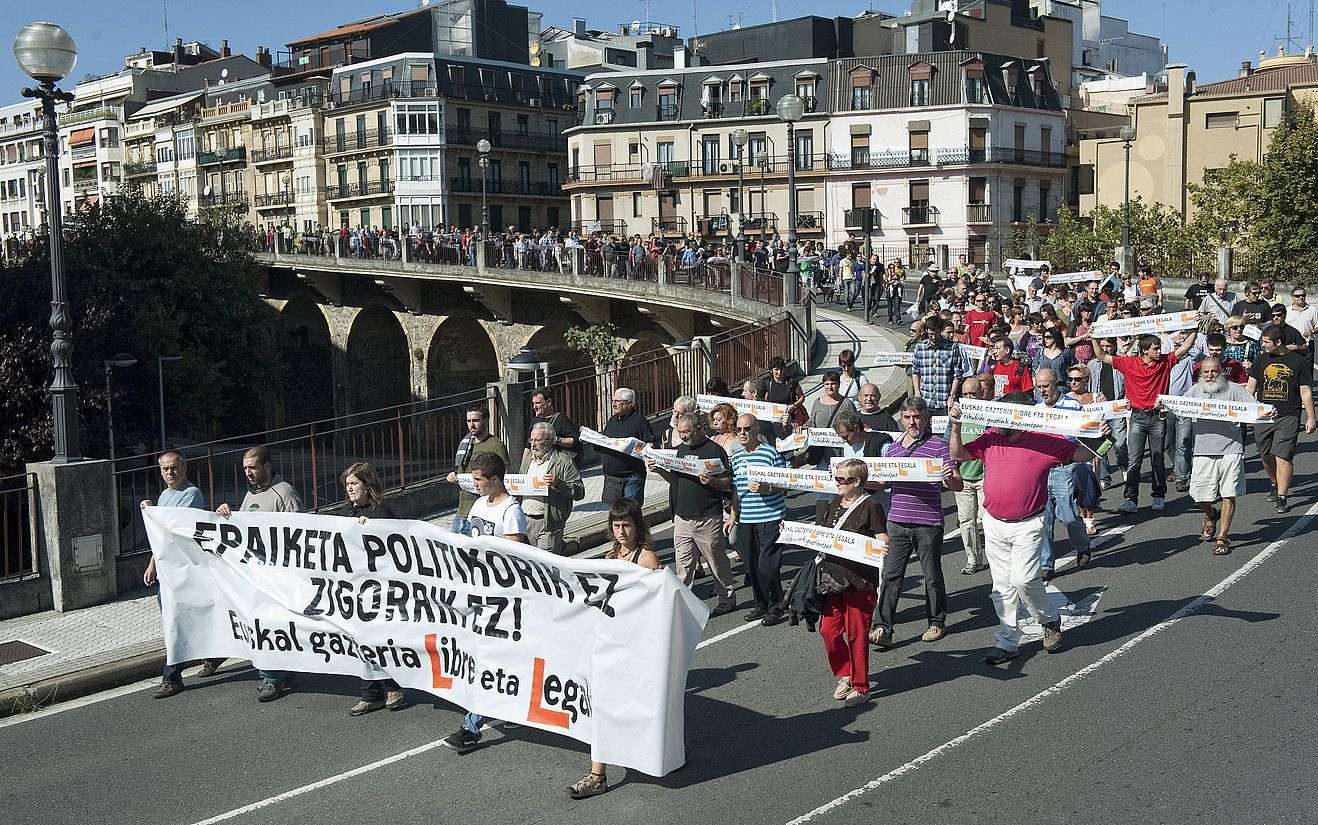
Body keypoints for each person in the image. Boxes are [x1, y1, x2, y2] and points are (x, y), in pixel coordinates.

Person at [949, 391, 1103, 664]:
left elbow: (1084, 454)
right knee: (1002, 588)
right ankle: (1007, 643)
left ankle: (1049, 619)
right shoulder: (991, 437)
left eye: (1003, 416)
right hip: (994, 523)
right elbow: (959, 454)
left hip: (1028, 525)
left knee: (1024, 581)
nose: (997, 421)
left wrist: (1100, 436)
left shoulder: (1044, 440)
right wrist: (956, 426)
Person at [565, 498, 663, 799]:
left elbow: (657, 603)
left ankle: (663, 746)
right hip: (612, 641)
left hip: (634, 645)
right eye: (616, 526)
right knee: (604, 707)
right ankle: (599, 774)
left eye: (626, 525)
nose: (621, 531)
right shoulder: (613, 554)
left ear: (637, 526)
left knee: (635, 704)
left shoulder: (645, 558)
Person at [441, 451, 528, 755]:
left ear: (495, 479)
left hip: (504, 599)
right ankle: (513, 707)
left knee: (492, 658)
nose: (474, 484)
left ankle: (471, 727)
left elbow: (518, 554)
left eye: (478, 479)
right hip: (480, 593)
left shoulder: (511, 511)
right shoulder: (479, 503)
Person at [869, 397, 962, 648]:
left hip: (927, 522)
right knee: (890, 576)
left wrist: (948, 479)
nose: (913, 422)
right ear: (901, 418)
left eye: (917, 417)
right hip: (897, 522)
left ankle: (936, 621)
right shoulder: (894, 448)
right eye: (908, 417)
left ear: (927, 419)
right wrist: (851, 480)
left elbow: (957, 483)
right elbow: (883, 483)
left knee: (931, 576)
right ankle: (882, 627)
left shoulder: (939, 446)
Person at [215, 446, 303, 702]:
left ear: (267, 466)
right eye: (245, 469)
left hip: (278, 577)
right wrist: (226, 514)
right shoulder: (251, 495)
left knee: (268, 625)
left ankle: (271, 679)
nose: (248, 473)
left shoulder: (284, 493)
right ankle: (284, 672)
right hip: (256, 575)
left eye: (253, 467)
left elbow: (299, 533)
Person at [1093, 329, 1200, 513]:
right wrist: (1093, 336)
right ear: (1144, 351)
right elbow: (1102, 356)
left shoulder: (1165, 362)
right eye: (1155, 349)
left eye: (1159, 348)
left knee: (1157, 458)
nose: (1160, 351)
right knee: (1134, 460)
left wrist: (1195, 327)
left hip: (1157, 417)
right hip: (1137, 417)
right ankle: (1130, 499)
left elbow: (1187, 346)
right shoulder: (1129, 363)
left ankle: (1158, 495)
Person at [142, 450, 217, 699]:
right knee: (182, 620)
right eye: (165, 469)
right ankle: (213, 653)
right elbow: (159, 539)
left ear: (184, 468)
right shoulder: (165, 495)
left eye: (174, 467)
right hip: (166, 569)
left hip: (183, 569)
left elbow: (172, 530)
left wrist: (153, 513)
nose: (170, 473)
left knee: (175, 623)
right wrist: (152, 564)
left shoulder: (191, 494)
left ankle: (172, 678)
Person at [817, 458, 889, 708]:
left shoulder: (871, 506)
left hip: (860, 581)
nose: (837, 483)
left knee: (857, 635)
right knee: (829, 630)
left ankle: (861, 686)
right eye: (836, 478)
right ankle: (845, 674)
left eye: (842, 480)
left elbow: (883, 538)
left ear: (857, 482)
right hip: (833, 578)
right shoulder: (835, 501)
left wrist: (880, 549)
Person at [651, 413, 736, 615]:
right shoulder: (679, 451)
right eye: (680, 432)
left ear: (699, 428)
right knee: (683, 563)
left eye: (686, 431)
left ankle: (726, 598)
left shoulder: (715, 451)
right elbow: (676, 481)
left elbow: (727, 484)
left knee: (715, 561)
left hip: (707, 517)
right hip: (682, 518)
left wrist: (712, 482)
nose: (682, 436)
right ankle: (685, 604)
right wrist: (660, 471)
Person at [340, 462, 406, 716]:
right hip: (356, 590)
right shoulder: (347, 515)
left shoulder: (383, 513)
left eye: (354, 484)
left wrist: (374, 530)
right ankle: (370, 693)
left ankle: (393, 687)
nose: (350, 489)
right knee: (360, 640)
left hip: (381, 590)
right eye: (347, 485)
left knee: (381, 640)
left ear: (367, 485)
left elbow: (396, 548)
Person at [1181, 358, 1258, 556]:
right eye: (1206, 372)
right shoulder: (1195, 390)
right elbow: (1178, 407)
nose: (1210, 375)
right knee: (1197, 495)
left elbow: (1255, 408)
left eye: (1214, 371)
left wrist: (1267, 411)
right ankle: (1211, 513)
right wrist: (1161, 405)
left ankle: (1222, 537)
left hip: (1231, 448)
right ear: (1200, 373)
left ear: (1221, 371)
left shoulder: (1234, 390)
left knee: (1228, 493)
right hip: (1203, 451)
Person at [727, 413, 789, 626]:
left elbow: (786, 483)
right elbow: (735, 490)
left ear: (756, 430)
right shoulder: (736, 457)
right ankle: (761, 605)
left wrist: (767, 488)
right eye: (739, 430)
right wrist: (733, 516)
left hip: (770, 516)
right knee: (752, 566)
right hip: (747, 518)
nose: (742, 433)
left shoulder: (770, 453)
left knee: (767, 565)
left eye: (747, 429)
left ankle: (777, 605)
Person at [1248, 326, 1317, 514]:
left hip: (1288, 415)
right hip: (1263, 415)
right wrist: (1242, 412)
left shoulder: (1298, 362)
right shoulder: (1261, 359)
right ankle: (1274, 481)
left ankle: (1282, 496)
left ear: (1278, 342)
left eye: (1266, 342)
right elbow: (1250, 388)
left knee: (1283, 455)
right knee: (1265, 455)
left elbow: (1305, 391)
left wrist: (1311, 417)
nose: (1263, 345)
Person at [1032, 369, 1091, 580]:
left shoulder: (1072, 405)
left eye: (1045, 386)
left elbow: (1082, 432)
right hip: (1042, 469)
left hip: (1064, 467)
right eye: (1039, 386)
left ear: (1056, 384)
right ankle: (1047, 564)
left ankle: (1082, 545)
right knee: (1044, 519)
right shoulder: (1036, 409)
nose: (1042, 390)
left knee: (1067, 515)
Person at [520, 422, 585, 554]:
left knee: (546, 566)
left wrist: (559, 484)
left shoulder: (563, 462)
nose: (532, 444)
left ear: (549, 441)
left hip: (548, 524)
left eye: (537, 440)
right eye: (531, 440)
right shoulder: (528, 461)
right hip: (525, 521)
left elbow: (580, 491)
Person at [447, 406, 509, 534]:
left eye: (475, 420)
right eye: (468, 421)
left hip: (484, 512)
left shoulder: (496, 445)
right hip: (462, 510)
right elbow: (463, 473)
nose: (471, 425)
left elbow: (504, 478)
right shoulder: (465, 444)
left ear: (486, 420)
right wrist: (455, 477)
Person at [952, 376, 991, 576]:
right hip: (963, 478)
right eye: (965, 394)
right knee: (966, 521)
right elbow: (948, 444)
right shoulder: (957, 415)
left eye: (972, 394)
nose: (968, 398)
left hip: (985, 477)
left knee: (987, 520)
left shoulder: (990, 414)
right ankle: (973, 560)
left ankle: (994, 557)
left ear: (982, 393)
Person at [600, 387, 658, 505]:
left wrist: (649, 447)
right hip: (612, 480)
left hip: (631, 478)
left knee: (630, 514)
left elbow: (653, 445)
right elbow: (604, 442)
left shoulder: (639, 421)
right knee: (615, 516)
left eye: (618, 401)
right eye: (613, 401)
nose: (614, 404)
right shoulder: (612, 421)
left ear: (629, 404)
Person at [911, 316, 963, 415]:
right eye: (931, 334)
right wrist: (917, 392)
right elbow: (915, 371)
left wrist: (951, 396)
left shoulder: (952, 347)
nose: (934, 338)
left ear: (941, 331)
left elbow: (957, 375)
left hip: (944, 401)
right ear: (926, 331)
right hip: (926, 400)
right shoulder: (920, 347)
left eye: (936, 334)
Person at [526, 387, 580, 465]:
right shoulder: (534, 421)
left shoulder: (562, 420)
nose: (534, 407)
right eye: (533, 403)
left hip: (557, 465)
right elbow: (528, 446)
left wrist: (556, 440)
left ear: (549, 401)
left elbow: (576, 441)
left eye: (538, 403)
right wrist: (523, 467)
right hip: (538, 465)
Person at [764, 356, 806, 425]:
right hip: (774, 420)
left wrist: (794, 405)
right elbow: (766, 400)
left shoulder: (791, 382)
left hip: (791, 419)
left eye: (781, 369)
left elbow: (802, 397)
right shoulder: (768, 383)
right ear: (771, 370)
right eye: (776, 370)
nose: (779, 372)